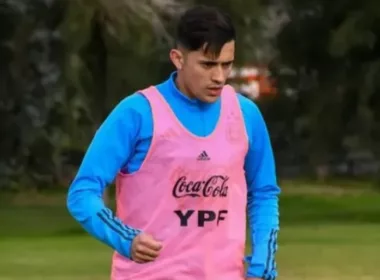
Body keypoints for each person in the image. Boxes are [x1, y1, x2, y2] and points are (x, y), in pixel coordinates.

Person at [66, 4, 280, 280]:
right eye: (207, 64)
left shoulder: (246, 114)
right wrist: (125, 239)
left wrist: (263, 261)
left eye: (226, 64)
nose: (219, 77)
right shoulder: (137, 113)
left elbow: (264, 192)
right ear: (178, 59)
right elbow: (82, 193)